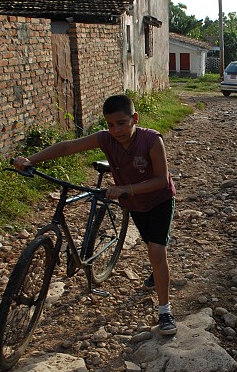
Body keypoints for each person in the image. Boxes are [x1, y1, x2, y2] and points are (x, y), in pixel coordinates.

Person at [12, 94, 178, 335]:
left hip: (159, 200)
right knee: (150, 246)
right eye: (110, 125)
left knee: (156, 250)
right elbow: (69, 146)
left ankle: (165, 311)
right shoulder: (105, 139)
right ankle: (157, 269)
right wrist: (31, 159)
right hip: (134, 203)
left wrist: (125, 189)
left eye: (121, 123)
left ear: (135, 119)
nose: (116, 130)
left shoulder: (151, 140)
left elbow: (162, 180)